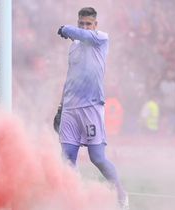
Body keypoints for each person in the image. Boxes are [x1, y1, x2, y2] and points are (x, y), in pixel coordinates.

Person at [56, 7, 129, 210]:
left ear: (95, 25)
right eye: (82, 23)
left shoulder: (101, 39)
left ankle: (121, 194)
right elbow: (69, 78)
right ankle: (74, 201)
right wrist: (61, 107)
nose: (85, 27)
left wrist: (66, 29)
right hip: (71, 108)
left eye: (89, 24)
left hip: (91, 107)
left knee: (97, 157)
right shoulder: (74, 47)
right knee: (67, 158)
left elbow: (81, 35)